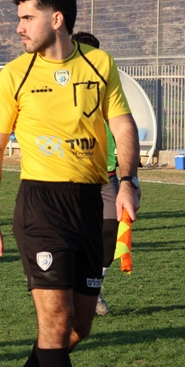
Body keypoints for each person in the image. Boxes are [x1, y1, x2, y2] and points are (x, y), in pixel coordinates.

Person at [0, 0, 141, 367]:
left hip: (89, 203)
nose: (19, 27)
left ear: (56, 19)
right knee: (54, 322)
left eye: (26, 18)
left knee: (78, 327)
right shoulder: (15, 73)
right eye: (18, 18)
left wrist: (128, 181)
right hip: (42, 205)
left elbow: (123, 124)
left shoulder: (99, 63)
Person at [71, 31, 117, 316]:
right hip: (72, 176)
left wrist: (131, 177)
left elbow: (122, 126)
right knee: (73, 236)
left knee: (110, 231)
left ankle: (95, 288)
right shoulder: (63, 88)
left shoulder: (108, 85)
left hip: (107, 174)